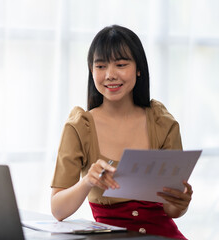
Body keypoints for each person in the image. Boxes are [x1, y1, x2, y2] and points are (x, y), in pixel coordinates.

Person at [50, 25, 192, 240]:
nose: (110, 75)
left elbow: (172, 211)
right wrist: (88, 180)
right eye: (100, 66)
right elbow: (58, 210)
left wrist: (181, 203)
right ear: (91, 71)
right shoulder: (80, 127)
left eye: (121, 64)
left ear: (138, 68)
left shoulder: (162, 123)